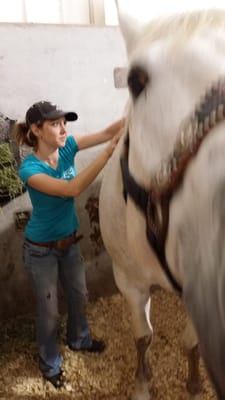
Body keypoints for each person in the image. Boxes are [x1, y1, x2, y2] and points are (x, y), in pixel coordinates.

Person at [14, 100, 124, 389]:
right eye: (55, 124)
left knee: (79, 295)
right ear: (37, 130)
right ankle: (49, 363)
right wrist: (107, 154)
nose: (64, 129)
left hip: (69, 244)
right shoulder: (29, 168)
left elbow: (104, 132)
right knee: (49, 312)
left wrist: (134, 112)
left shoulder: (68, 146)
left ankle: (79, 340)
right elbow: (71, 190)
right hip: (41, 251)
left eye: (65, 123)